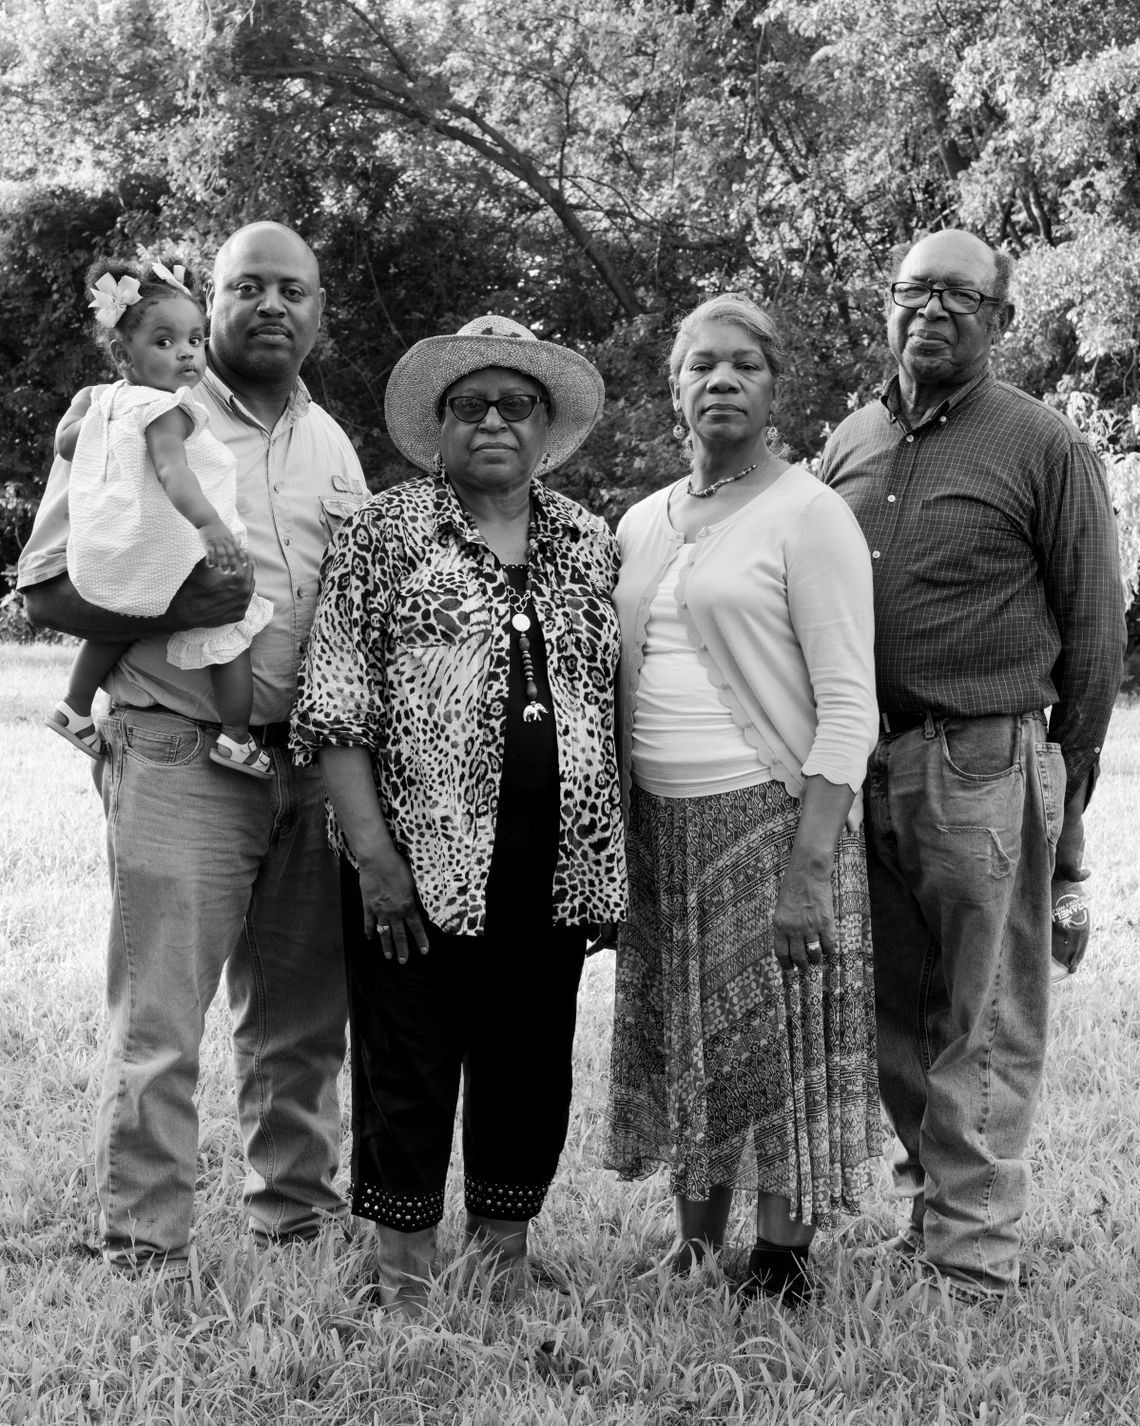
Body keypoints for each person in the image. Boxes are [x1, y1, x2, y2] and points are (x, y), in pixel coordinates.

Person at [17, 221, 368, 1278]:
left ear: (316, 311)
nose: (272, 306)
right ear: (207, 306)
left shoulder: (330, 439)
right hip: (177, 753)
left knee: (305, 1017)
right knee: (162, 1018)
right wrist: (184, 593)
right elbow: (41, 588)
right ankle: (145, 1242)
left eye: (293, 290)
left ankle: (297, 1214)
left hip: (309, 765)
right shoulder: (123, 415)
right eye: (247, 286)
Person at [291, 314, 626, 1317]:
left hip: (556, 866)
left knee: (530, 1063)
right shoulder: (385, 535)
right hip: (419, 862)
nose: (492, 420)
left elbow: (615, 700)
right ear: (438, 427)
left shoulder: (586, 542)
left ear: (544, 425)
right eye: (469, 404)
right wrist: (374, 859)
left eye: (514, 404)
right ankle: (404, 1272)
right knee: (410, 1061)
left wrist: (610, 861)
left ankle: (500, 1258)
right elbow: (336, 706)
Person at [820, 229, 1125, 1308]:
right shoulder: (849, 441)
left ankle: (973, 1261)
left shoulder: (1042, 443)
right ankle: (933, 1216)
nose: (932, 310)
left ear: (998, 318)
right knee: (898, 1012)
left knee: (986, 1015)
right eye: (914, 291)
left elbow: (1094, 636)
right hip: (867, 767)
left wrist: (1064, 794)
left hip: (986, 758)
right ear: (887, 305)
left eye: (960, 294)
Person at [603, 293, 881, 1304]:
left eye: (743, 367)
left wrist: (812, 861)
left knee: (779, 1040)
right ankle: (692, 1241)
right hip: (661, 825)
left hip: (770, 820)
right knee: (691, 1039)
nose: (719, 380)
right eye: (699, 365)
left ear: (774, 390)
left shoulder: (810, 513)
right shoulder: (641, 522)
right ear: (673, 388)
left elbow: (851, 702)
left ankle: (783, 1256)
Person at [47, 256, 274, 778]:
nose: (187, 354)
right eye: (165, 343)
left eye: (195, 340)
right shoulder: (163, 408)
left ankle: (74, 707)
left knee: (118, 624)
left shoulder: (108, 404)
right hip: (182, 544)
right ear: (123, 356)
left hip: (128, 545)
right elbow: (174, 472)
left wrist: (98, 417)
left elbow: (65, 446)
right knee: (230, 628)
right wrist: (209, 523)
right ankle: (237, 740)